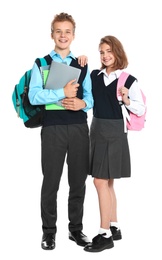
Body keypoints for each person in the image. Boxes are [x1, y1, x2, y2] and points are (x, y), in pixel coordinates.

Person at [68, 35, 146, 252]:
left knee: (100, 182)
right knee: (108, 182)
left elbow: (140, 109)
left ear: (117, 52)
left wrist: (127, 99)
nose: (105, 55)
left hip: (114, 132)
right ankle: (114, 225)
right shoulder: (95, 75)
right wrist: (80, 60)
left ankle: (104, 235)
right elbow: (79, 79)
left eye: (109, 51)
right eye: (101, 52)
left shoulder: (128, 80)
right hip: (98, 129)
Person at [28, 12, 93, 250]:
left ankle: (75, 230)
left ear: (73, 35)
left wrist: (82, 103)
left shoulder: (82, 64)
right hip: (53, 128)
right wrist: (61, 94)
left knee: (78, 182)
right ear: (52, 34)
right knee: (51, 182)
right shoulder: (41, 63)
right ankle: (49, 232)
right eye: (58, 31)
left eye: (67, 31)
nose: (63, 35)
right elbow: (34, 96)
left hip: (78, 127)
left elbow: (91, 97)